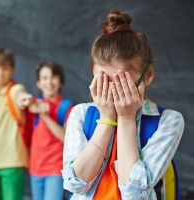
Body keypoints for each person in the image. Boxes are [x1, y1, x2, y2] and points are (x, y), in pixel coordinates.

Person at [62, 9, 184, 199]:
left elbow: (135, 192)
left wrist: (127, 118)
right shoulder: (80, 114)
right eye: (103, 84)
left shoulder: (168, 121)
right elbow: (74, 184)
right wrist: (106, 120)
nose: (113, 95)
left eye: (122, 86)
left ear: (148, 76)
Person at [0, 47, 33, 200]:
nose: (0, 73)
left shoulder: (14, 89)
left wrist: (22, 98)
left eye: (5, 68)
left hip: (12, 162)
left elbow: (19, 93)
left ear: (12, 69)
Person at [28, 61, 74, 200]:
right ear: (38, 82)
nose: (49, 82)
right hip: (35, 168)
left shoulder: (67, 106)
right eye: (44, 78)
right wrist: (33, 105)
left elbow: (65, 137)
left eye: (53, 77)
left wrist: (44, 115)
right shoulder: (34, 103)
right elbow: (22, 102)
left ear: (60, 82)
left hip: (56, 168)